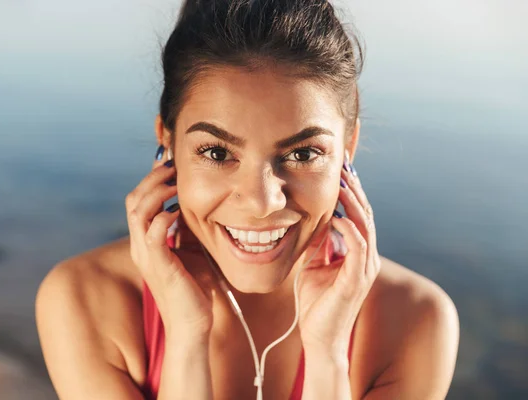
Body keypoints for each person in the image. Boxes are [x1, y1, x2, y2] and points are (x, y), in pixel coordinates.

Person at [35, 0, 460, 399]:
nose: (262, 202)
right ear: (167, 141)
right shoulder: (85, 299)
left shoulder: (416, 318)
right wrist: (185, 336)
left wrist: (328, 354)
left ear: (349, 144)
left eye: (303, 153)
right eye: (217, 153)